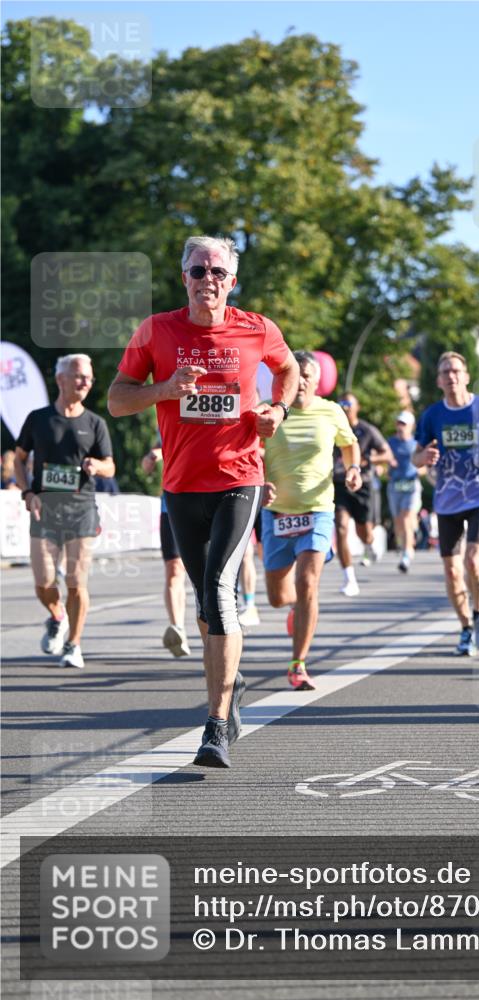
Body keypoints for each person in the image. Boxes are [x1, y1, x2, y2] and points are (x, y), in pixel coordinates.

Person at [108, 234, 299, 768]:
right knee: (206, 603)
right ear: (184, 278)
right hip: (181, 485)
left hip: (240, 478)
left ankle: (216, 725)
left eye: (217, 272)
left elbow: (288, 370)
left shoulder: (258, 328)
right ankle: (229, 681)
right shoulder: (156, 330)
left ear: (232, 282)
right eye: (198, 271)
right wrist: (165, 389)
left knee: (218, 590)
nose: (207, 280)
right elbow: (118, 400)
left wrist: (278, 411)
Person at [262, 351, 361, 689]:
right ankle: (298, 608)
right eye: (295, 374)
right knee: (278, 597)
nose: (301, 381)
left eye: (307, 375)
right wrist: (261, 482)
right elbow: (249, 450)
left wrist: (353, 469)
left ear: (317, 381)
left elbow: (349, 444)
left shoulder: (331, 411)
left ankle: (298, 664)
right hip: (276, 513)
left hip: (317, 510)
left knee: (307, 583)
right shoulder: (268, 411)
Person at [14, 353, 115, 669]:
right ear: (61, 379)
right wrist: (28, 492)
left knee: (75, 581)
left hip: (81, 510)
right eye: (80, 376)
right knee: (44, 582)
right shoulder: (38, 419)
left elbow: (110, 467)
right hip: (44, 510)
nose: (86, 382)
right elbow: (19, 459)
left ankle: (74, 645)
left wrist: (97, 465)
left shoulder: (95, 423)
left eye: (89, 378)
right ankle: (57, 615)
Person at [413, 351, 479, 657]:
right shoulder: (432, 416)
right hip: (447, 498)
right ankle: (466, 628)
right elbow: (415, 457)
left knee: (473, 560)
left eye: (455, 371)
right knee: (452, 571)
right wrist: (424, 458)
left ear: (466, 376)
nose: (451, 376)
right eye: (445, 372)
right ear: (439, 381)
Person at [333, 392, 394, 596]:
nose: (345, 407)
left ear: (357, 407)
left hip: (362, 484)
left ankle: (369, 543)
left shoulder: (367, 430)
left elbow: (387, 454)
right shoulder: (332, 427)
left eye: (349, 404)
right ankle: (349, 578)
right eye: (341, 404)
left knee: (364, 532)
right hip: (338, 484)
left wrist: (367, 459)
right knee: (341, 527)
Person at [141, 444, 191, 657]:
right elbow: (147, 464)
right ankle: (177, 628)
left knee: (205, 572)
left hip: (205, 501)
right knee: (174, 569)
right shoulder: (164, 427)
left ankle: (216, 630)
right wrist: (151, 458)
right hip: (171, 505)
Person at [387, 411, 422, 573]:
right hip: (395, 485)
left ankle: (407, 554)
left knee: (406, 517)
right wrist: (385, 465)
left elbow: (424, 465)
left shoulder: (416, 444)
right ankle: (407, 542)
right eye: (399, 423)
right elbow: (381, 457)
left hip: (411, 485)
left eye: (404, 424)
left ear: (411, 427)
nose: (400, 427)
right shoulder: (390, 443)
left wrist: (419, 469)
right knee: (398, 522)